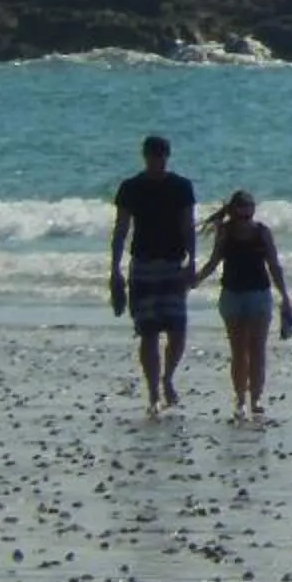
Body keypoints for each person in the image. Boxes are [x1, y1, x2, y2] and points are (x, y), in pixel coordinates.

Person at [109, 133, 198, 413]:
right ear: (145, 156)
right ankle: (152, 392)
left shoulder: (181, 186)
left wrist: (193, 261)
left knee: (177, 331)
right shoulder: (131, 187)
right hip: (143, 264)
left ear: (167, 156)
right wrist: (115, 270)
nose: (157, 160)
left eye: (161, 155)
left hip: (173, 262)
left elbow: (188, 226)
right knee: (147, 332)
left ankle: (168, 378)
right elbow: (121, 229)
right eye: (152, 155)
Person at [193, 190, 292, 424]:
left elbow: (274, 266)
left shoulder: (262, 233)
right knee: (238, 351)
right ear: (234, 212)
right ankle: (240, 399)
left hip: (259, 295)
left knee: (257, 349)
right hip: (232, 296)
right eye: (241, 214)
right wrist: (195, 280)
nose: (245, 219)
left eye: (248, 214)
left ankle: (256, 398)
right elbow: (214, 261)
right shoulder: (226, 232)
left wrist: (285, 298)